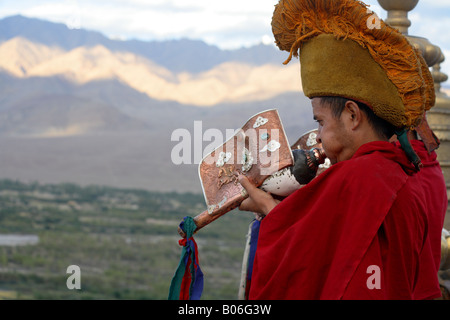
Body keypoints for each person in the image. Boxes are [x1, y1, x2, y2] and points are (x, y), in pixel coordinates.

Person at [238, 0, 444, 299]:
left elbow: (305, 263)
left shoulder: (358, 177)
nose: (318, 137)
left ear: (352, 115)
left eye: (320, 122)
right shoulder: (401, 174)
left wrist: (269, 211)